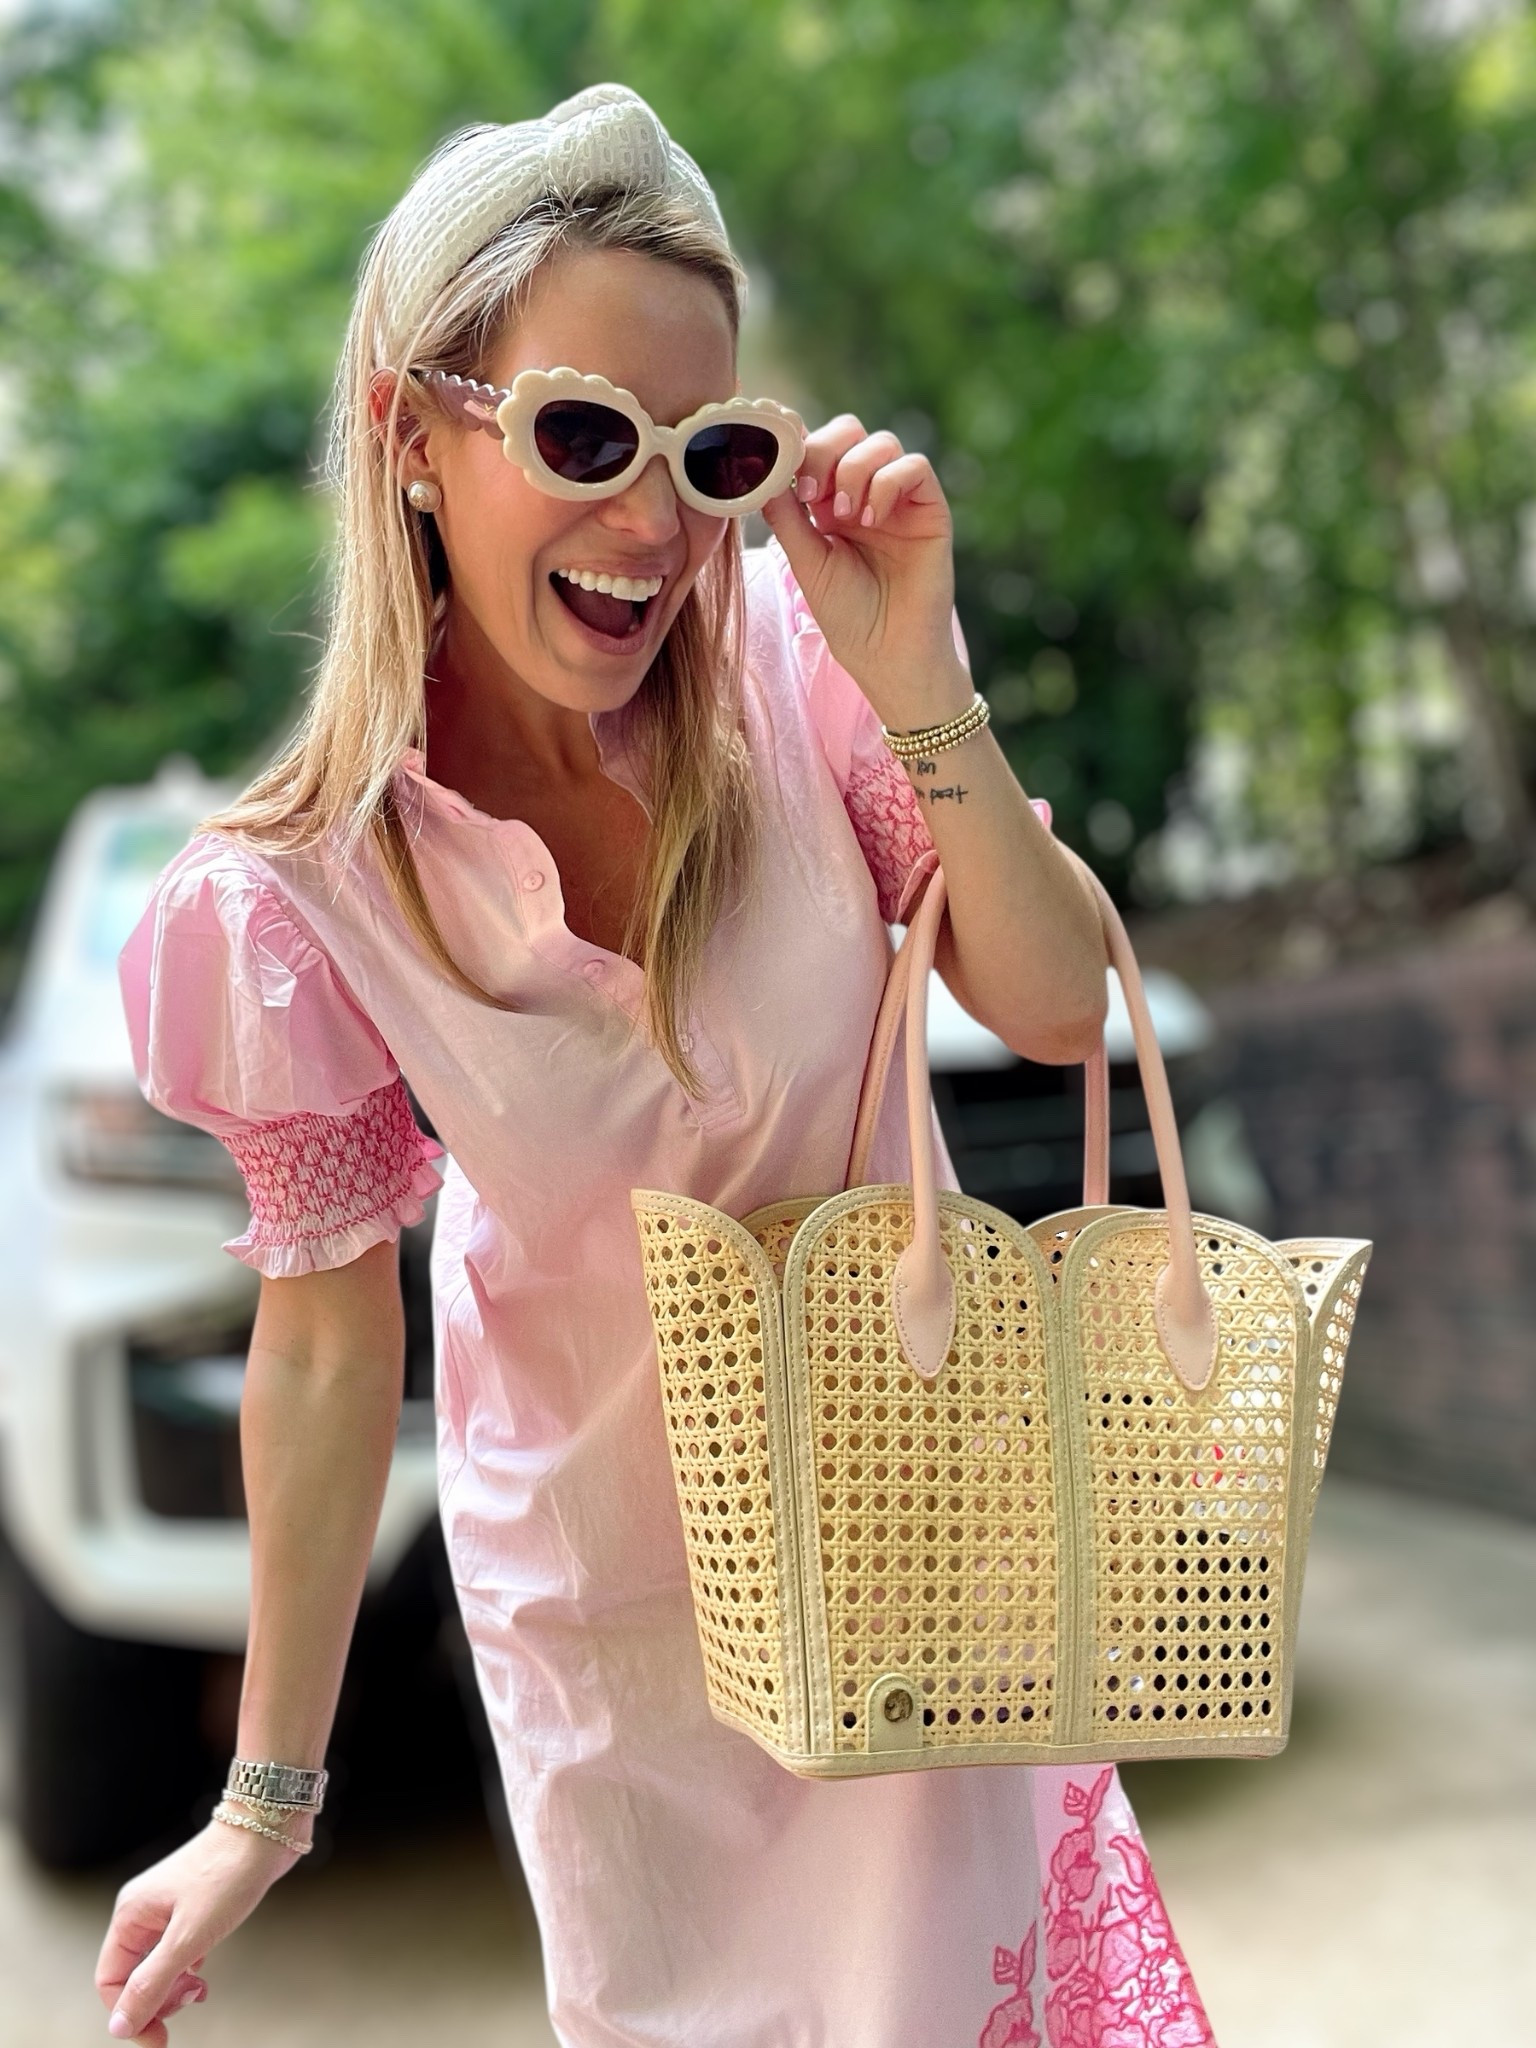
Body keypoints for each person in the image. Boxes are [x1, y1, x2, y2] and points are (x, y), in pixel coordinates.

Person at [98, 82, 1215, 2048]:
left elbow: (1052, 1004)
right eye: (584, 436)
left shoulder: (800, 661)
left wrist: (920, 679)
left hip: (909, 1549)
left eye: (703, 455)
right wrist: (257, 1812)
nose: (649, 523)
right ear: (414, 435)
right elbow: (331, 1343)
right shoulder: (309, 894)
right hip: (624, 1654)